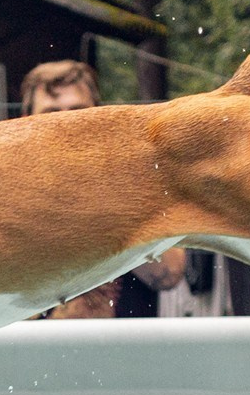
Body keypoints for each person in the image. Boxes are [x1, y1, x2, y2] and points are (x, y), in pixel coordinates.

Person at [20, 60, 196, 317]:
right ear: (27, 121)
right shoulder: (12, 193)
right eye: (51, 113)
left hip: (125, 348)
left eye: (78, 110)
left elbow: (169, 274)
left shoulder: (132, 175)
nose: (66, 123)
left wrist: (99, 202)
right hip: (35, 351)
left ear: (98, 114)